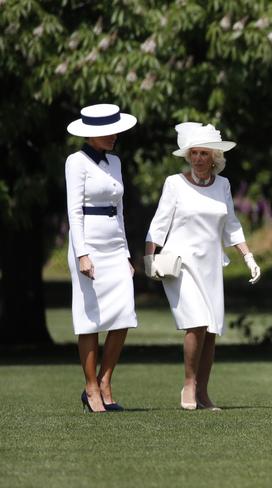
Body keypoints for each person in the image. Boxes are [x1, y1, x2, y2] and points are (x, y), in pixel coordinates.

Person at [144, 122, 261, 411]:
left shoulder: (222, 185)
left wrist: (248, 257)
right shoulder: (174, 183)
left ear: (214, 158)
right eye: (193, 153)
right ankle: (188, 384)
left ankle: (203, 394)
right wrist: (149, 258)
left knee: (210, 330)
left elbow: (231, 226)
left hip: (210, 265)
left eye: (204, 154)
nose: (198, 158)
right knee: (195, 323)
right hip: (180, 265)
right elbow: (158, 225)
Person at [65, 103, 139, 413]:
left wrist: (125, 254)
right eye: (108, 132)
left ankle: (105, 380)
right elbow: (74, 210)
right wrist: (82, 253)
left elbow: (120, 210)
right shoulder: (76, 161)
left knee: (123, 314)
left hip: (113, 246)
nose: (115, 136)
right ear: (92, 134)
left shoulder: (116, 162)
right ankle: (91, 388)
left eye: (116, 130)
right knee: (89, 318)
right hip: (89, 244)